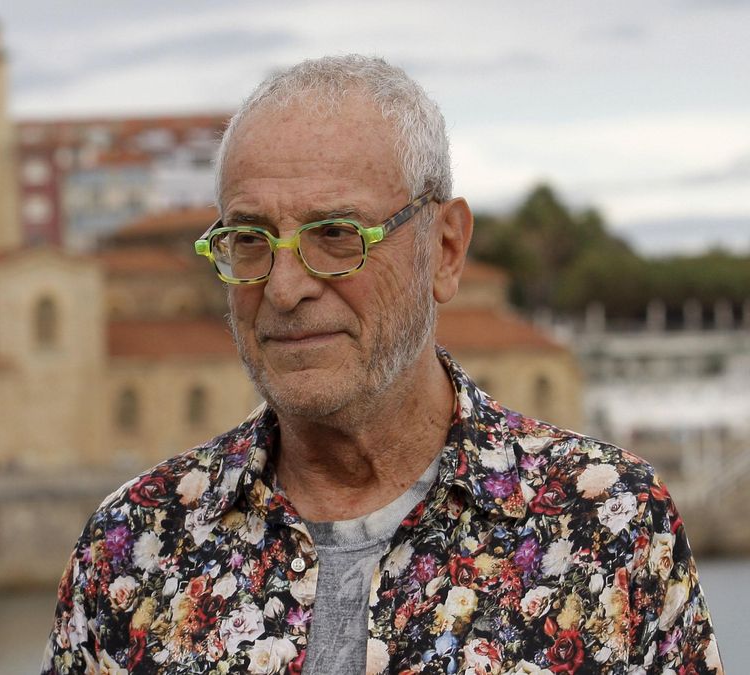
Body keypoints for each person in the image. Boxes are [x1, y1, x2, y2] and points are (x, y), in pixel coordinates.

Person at [41, 55, 722, 674]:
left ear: (446, 249)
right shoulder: (129, 543)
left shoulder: (612, 523)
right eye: (249, 240)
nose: (284, 287)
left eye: (336, 235)